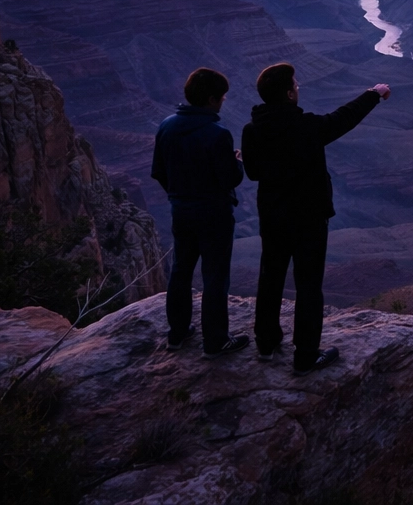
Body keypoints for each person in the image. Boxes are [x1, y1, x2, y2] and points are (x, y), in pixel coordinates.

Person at [243, 63, 389, 374]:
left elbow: (253, 172)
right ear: (288, 93)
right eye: (295, 85)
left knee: (271, 277)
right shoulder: (306, 126)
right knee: (308, 284)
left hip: (272, 217)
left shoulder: (252, 130)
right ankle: (306, 356)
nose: (299, 88)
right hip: (309, 218)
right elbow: (343, 119)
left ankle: (266, 343)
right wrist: (373, 95)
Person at [151, 67, 248, 358]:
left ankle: (177, 334)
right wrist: (237, 162)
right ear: (210, 100)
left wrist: (178, 195)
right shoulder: (217, 134)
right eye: (221, 98)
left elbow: (158, 172)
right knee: (215, 276)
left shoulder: (166, 126)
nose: (223, 102)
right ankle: (216, 341)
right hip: (214, 214)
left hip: (181, 210)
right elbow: (229, 179)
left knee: (181, 270)